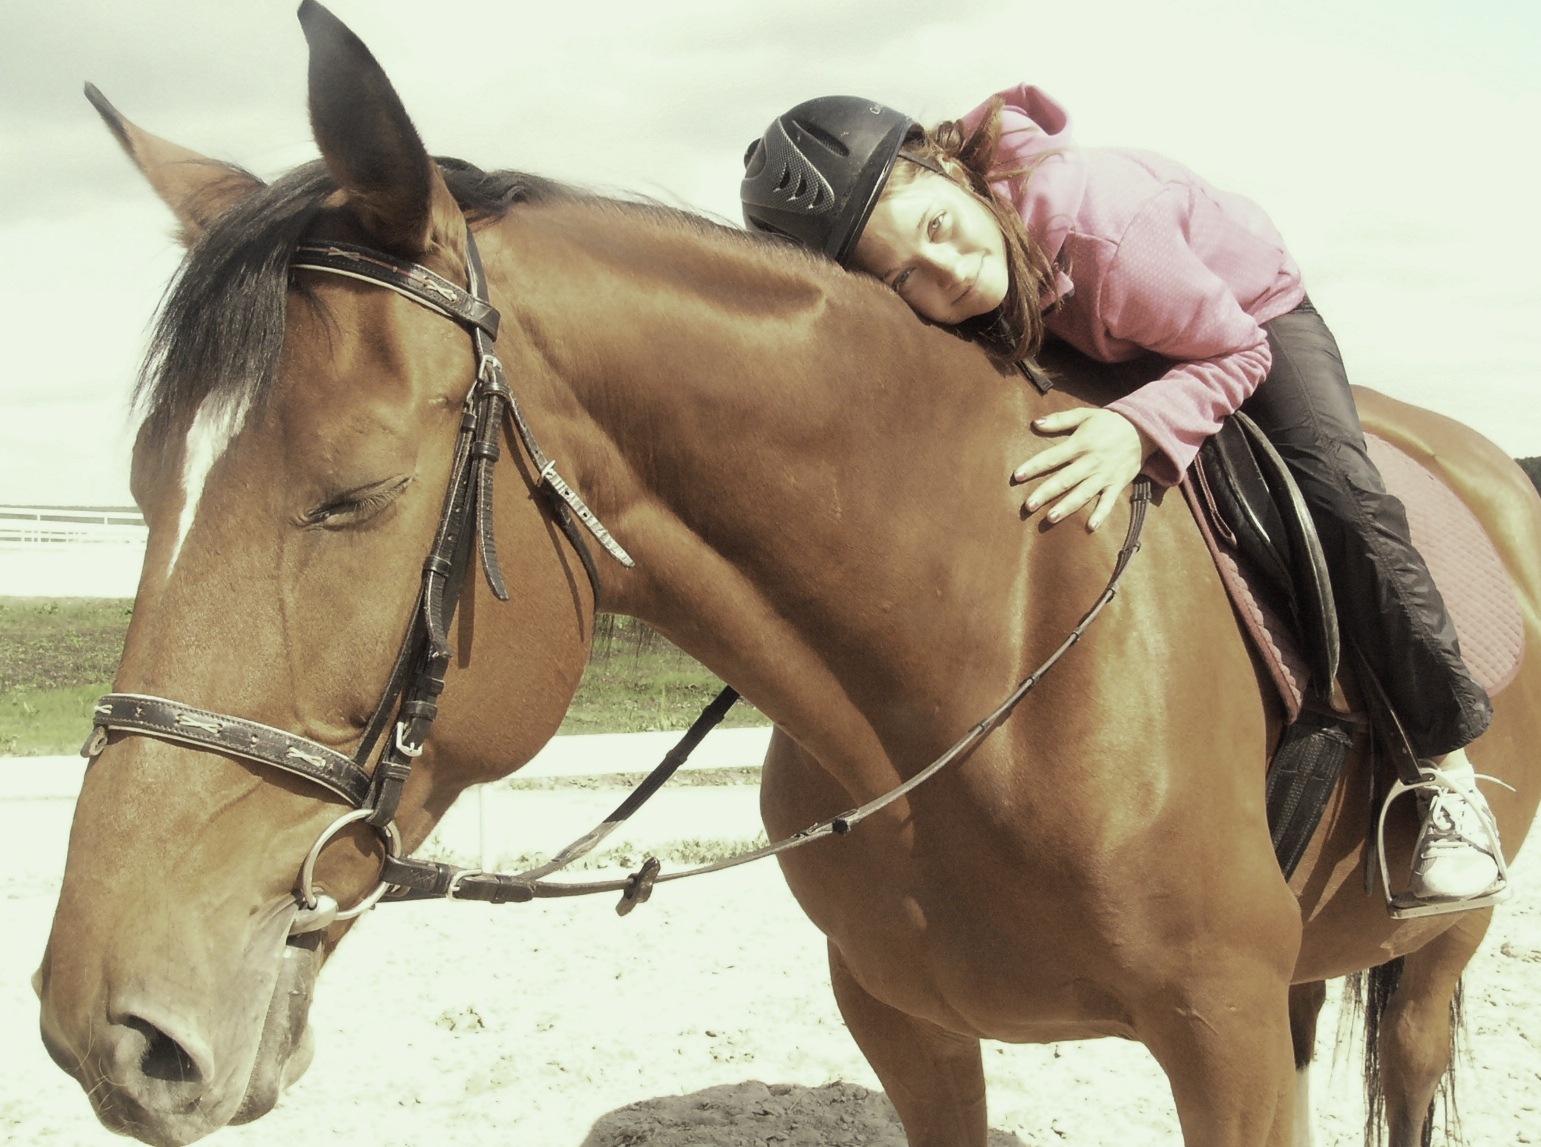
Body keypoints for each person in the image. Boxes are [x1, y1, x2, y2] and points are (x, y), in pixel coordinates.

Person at [740, 86, 1507, 913]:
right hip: (1082, 320)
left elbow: (1236, 351)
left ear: (948, 171)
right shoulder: (970, 261)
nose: (951, 271)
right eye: (904, 277)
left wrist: (1136, 428)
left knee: (1339, 495)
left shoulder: (1110, 235)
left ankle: (1447, 778)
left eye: (936, 228)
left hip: (1245, 321)